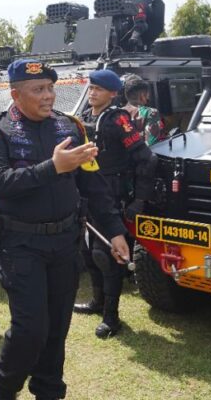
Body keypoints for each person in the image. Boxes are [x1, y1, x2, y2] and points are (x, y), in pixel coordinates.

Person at [0, 59, 130, 400]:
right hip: (21, 246)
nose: (48, 96)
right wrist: (53, 167)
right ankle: (4, 388)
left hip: (65, 243)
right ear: (16, 95)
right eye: (38, 90)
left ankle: (48, 391)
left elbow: (93, 184)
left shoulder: (70, 128)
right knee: (31, 329)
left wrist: (115, 231)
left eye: (50, 88)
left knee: (57, 328)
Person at [73, 70, 156, 338]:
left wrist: (140, 200)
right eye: (91, 87)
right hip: (86, 192)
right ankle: (97, 302)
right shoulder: (86, 118)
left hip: (112, 194)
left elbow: (146, 159)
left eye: (98, 89)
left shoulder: (118, 119)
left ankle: (112, 316)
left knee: (106, 255)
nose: (92, 93)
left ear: (112, 93)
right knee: (88, 253)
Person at [122, 75, 165, 145]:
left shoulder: (117, 114)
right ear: (142, 95)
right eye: (147, 94)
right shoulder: (150, 113)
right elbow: (152, 143)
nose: (148, 97)